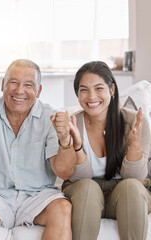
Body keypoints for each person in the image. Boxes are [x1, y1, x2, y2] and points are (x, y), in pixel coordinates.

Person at [0, 59, 74, 240]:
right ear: (3, 84)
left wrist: (65, 139)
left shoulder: (49, 115)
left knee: (62, 207)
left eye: (28, 85)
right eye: (13, 82)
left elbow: (64, 172)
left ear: (39, 91)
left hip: (36, 197)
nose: (19, 90)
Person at [59, 61, 151, 240]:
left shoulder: (135, 122)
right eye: (83, 89)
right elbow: (79, 178)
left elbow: (136, 178)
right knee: (87, 188)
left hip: (124, 195)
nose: (91, 96)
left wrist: (134, 146)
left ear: (112, 90)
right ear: (77, 94)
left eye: (99, 88)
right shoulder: (72, 124)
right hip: (86, 196)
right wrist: (77, 145)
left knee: (131, 187)